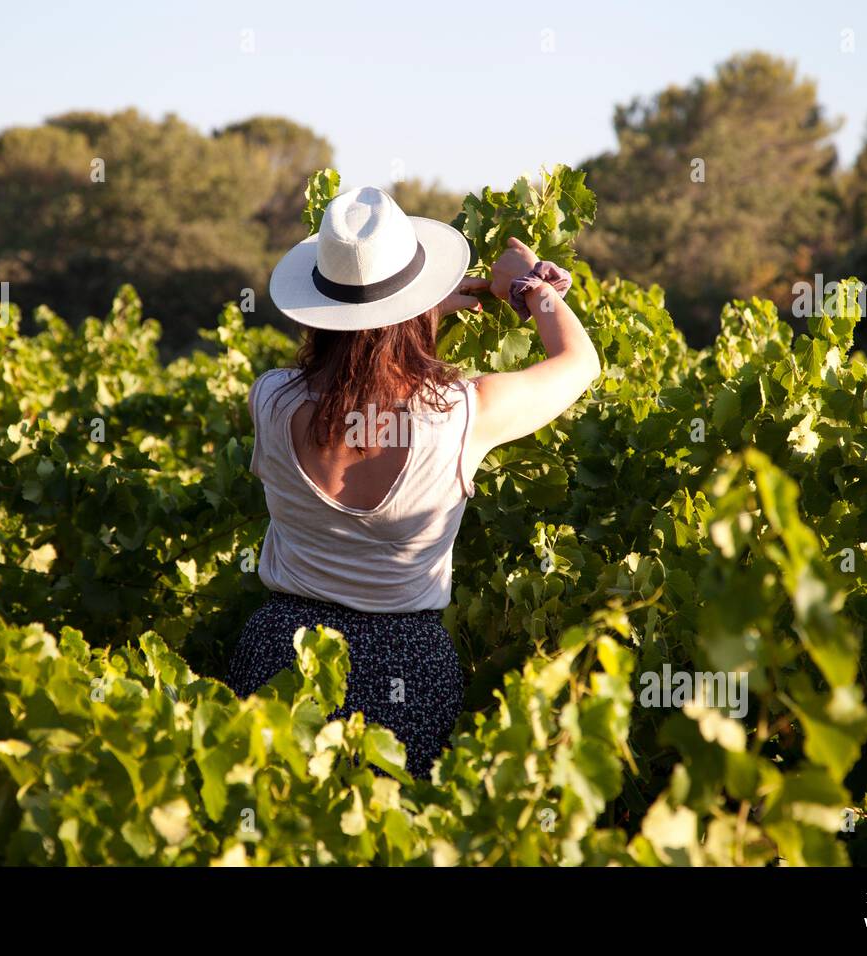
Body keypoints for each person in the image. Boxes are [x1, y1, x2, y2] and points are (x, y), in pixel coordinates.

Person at [226, 185, 600, 779]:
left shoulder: (269, 399)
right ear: (410, 308)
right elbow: (580, 362)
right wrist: (533, 288)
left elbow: (358, 356)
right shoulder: (461, 412)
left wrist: (415, 310)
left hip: (280, 654)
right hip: (407, 666)